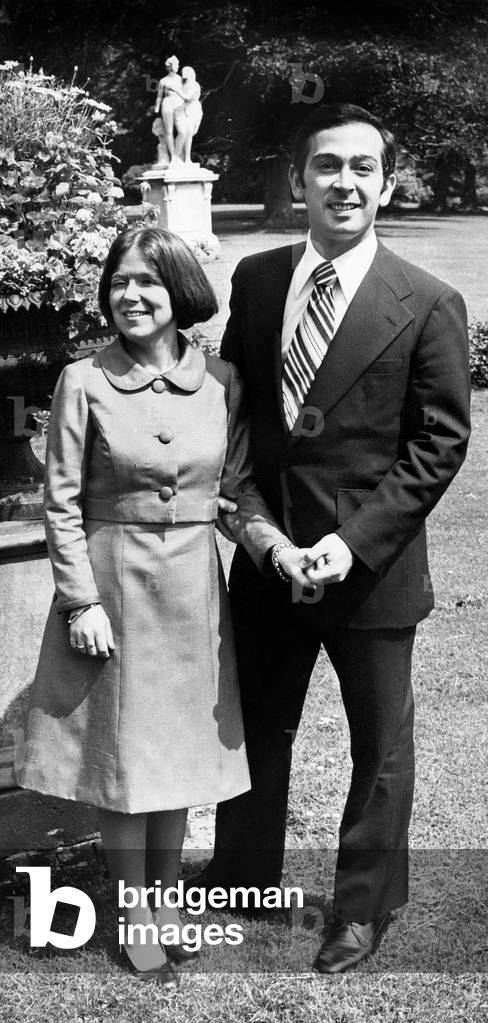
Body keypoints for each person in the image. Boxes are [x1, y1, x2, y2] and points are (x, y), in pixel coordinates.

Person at [189, 103, 472, 973]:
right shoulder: (262, 278)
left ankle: (362, 908)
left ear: (385, 185)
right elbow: (235, 419)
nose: (343, 183)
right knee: (255, 727)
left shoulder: (428, 301)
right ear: (298, 180)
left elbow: (440, 441)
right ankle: (240, 881)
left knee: (379, 744)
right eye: (326, 167)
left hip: (372, 569)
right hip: (269, 558)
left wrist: (350, 543)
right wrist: (262, 533)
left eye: (361, 169)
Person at [16, 227, 309, 987]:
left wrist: (274, 549)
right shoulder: (83, 380)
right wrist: (80, 599)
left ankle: (170, 897)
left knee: (176, 755)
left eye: (147, 282)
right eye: (119, 283)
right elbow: (62, 503)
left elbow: (237, 493)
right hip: (112, 590)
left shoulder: (222, 382)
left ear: (179, 291)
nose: (131, 296)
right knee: (123, 758)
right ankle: (135, 907)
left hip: (192, 591)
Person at [154, 55, 183, 162]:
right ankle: (173, 156)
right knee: (169, 131)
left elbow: (184, 94)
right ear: (170, 67)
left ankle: (179, 154)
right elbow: (159, 97)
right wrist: (157, 108)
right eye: (176, 65)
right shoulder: (163, 81)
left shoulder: (180, 79)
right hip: (167, 104)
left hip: (179, 103)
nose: (178, 67)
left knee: (182, 131)